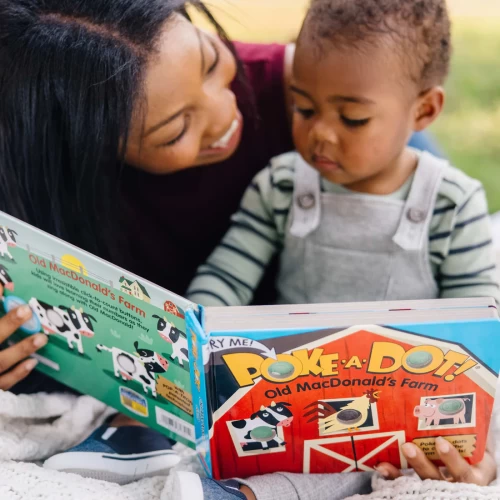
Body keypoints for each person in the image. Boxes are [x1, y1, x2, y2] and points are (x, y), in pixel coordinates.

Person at [0, 0, 454, 487]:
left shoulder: (316, 92)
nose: (225, 112)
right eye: (176, 129)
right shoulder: (35, 200)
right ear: (87, 149)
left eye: (213, 62)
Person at [179, 0, 500, 498]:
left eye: (352, 118)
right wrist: (194, 337)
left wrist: (467, 444)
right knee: (273, 461)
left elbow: (477, 326)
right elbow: (226, 276)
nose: (320, 132)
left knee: (448, 463)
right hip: (299, 393)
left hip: (410, 408)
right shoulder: (283, 184)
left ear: (424, 109)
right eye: (303, 107)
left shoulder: (452, 203)